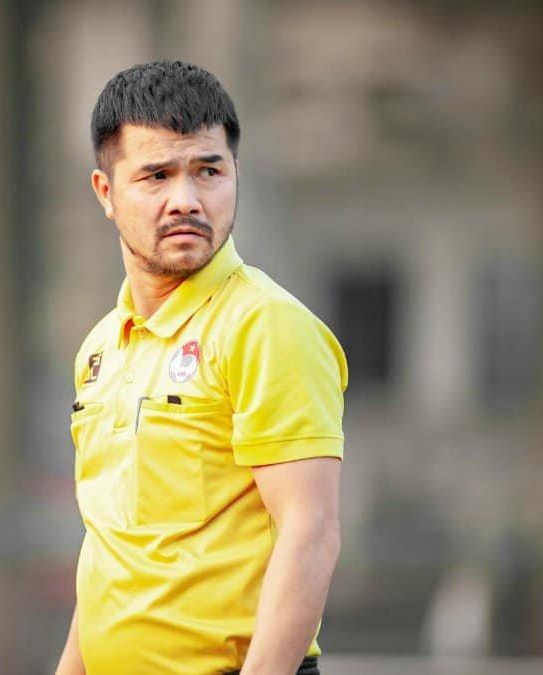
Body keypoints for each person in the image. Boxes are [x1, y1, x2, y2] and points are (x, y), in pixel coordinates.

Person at [55, 61, 347, 675]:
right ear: (107, 193)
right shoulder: (100, 349)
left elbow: (310, 533)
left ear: (235, 173)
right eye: (156, 175)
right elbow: (114, 548)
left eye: (207, 170)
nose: (185, 200)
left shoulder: (265, 326)